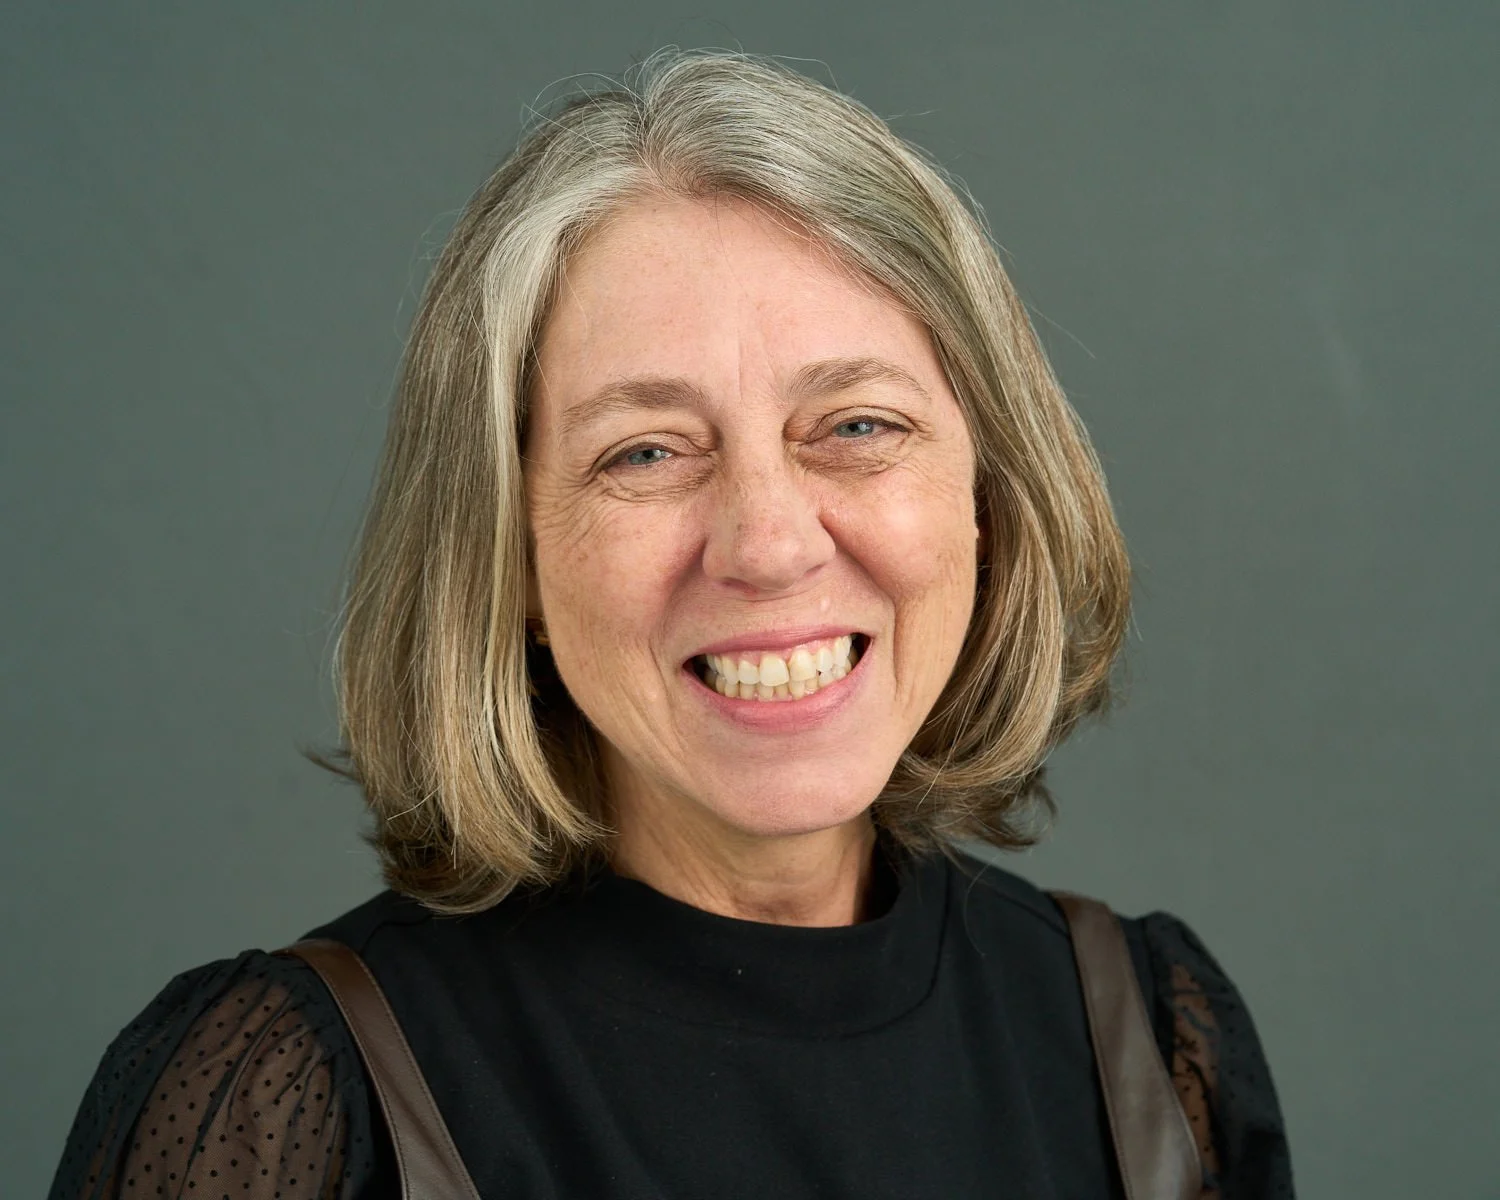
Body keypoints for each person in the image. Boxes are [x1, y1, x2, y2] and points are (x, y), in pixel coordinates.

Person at [49, 50, 1293, 1200]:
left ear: (985, 493)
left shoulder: (1147, 1043)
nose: (769, 542)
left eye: (857, 425)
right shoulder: (290, 1100)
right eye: (645, 452)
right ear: (510, 557)